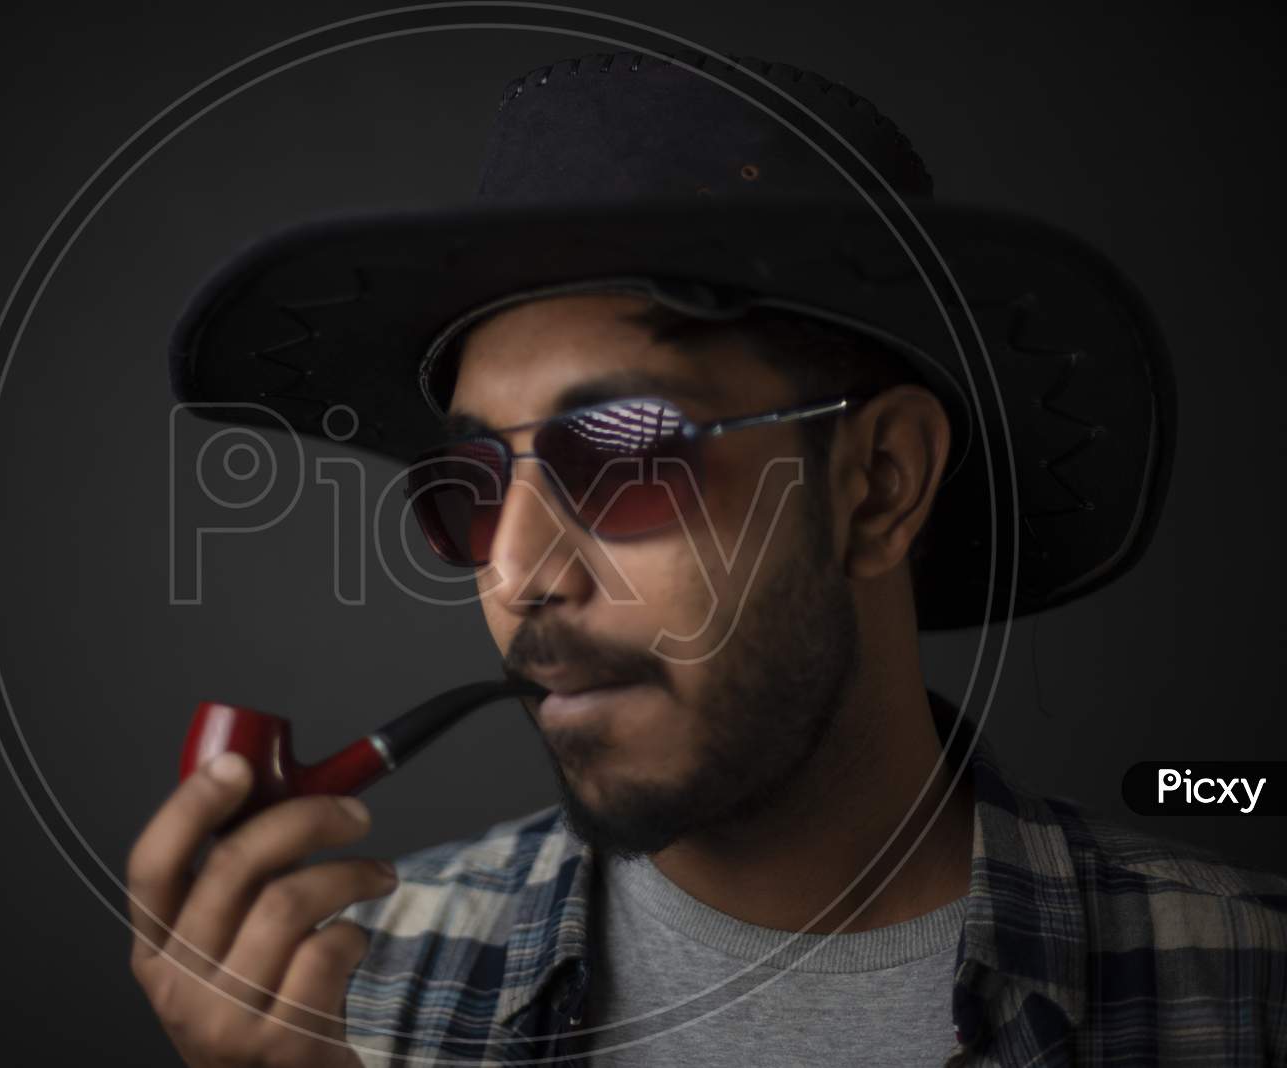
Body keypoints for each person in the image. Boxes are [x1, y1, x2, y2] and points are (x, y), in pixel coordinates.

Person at [128, 51, 1286, 1065]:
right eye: (469, 490)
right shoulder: (350, 1001)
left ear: (879, 483)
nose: (519, 574)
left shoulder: (1241, 990)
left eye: (625, 454)